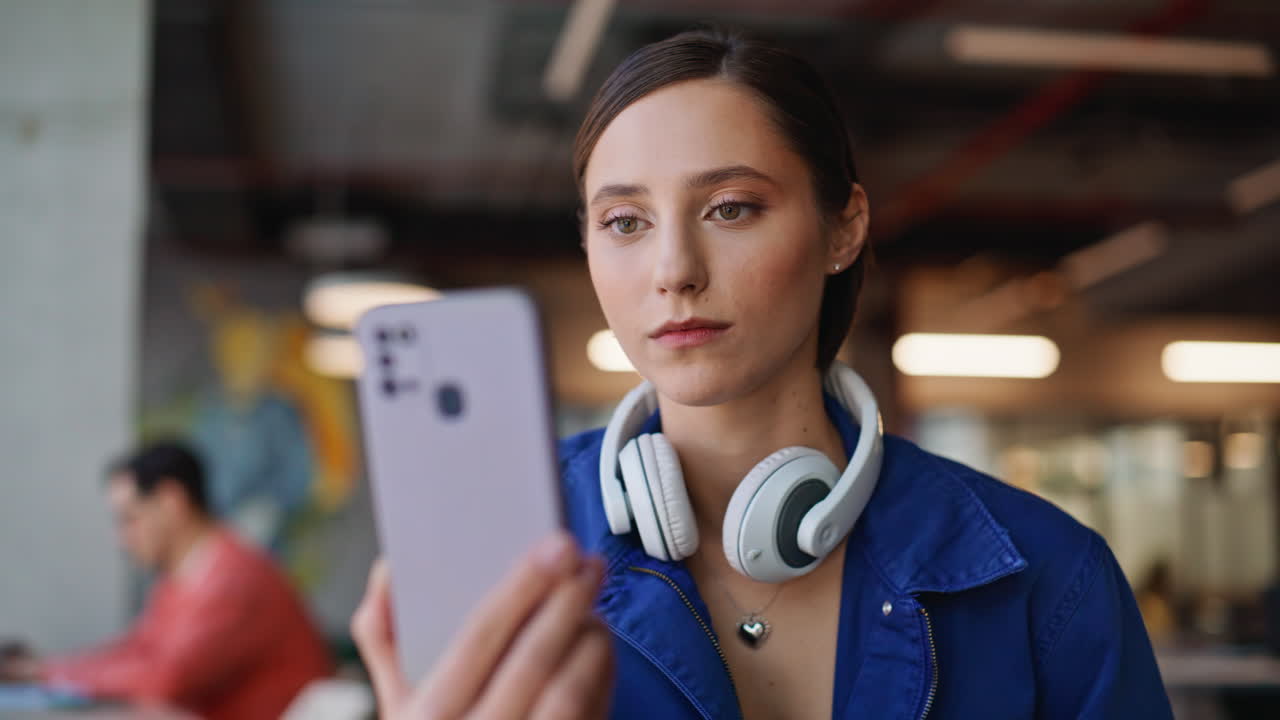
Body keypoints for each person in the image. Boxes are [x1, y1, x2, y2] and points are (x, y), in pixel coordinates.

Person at [352, 28, 1173, 718]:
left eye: (731, 208)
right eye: (625, 221)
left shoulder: (1044, 579)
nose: (673, 269)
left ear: (844, 227)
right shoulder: (506, 548)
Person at [0, 441, 333, 720]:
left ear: (172, 502)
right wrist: (44, 669)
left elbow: (166, 679)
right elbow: (138, 653)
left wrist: (42, 673)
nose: (123, 538)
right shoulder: (185, 575)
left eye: (130, 519)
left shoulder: (233, 579)